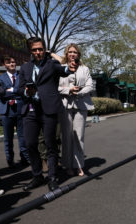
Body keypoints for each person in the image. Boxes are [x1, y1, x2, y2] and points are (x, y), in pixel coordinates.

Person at [19, 37, 74, 192]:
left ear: (45, 49)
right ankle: (37, 176)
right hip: (30, 110)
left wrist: (70, 66)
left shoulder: (52, 65)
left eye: (40, 49)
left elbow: (65, 70)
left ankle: (52, 177)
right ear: (30, 51)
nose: (38, 52)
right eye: (35, 49)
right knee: (30, 144)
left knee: (51, 145)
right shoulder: (25, 68)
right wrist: (26, 91)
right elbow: (19, 88)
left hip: (48, 110)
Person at [56, 44, 94, 177]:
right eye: (70, 52)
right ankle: (67, 164)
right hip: (65, 105)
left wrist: (79, 92)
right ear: (66, 54)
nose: (72, 54)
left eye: (75, 52)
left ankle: (78, 165)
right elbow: (55, 87)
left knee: (79, 137)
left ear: (78, 55)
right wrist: (68, 90)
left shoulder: (84, 69)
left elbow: (90, 85)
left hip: (81, 105)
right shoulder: (60, 68)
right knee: (67, 137)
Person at [0, 55, 29, 168]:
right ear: (4, 65)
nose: (12, 64)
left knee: (23, 136)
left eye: (14, 62)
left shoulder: (22, 77)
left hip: (21, 109)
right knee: (8, 138)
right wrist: (17, 92)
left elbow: (25, 91)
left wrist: (13, 90)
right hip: (6, 111)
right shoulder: (0, 79)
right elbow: (1, 93)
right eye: (9, 62)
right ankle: (10, 160)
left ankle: (25, 159)